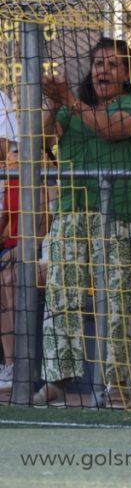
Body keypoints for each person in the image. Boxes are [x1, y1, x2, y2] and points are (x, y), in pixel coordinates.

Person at [34, 37, 131, 408]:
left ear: (126, 74)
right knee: (61, 295)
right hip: (71, 210)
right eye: (98, 63)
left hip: (117, 214)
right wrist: (54, 104)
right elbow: (40, 140)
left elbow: (110, 129)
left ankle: (114, 383)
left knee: (115, 298)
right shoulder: (72, 108)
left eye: (113, 64)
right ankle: (57, 381)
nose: (103, 70)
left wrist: (69, 99)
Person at [0, 145, 18, 391]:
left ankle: (17, 363)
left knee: (8, 277)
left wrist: (20, 250)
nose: (15, 156)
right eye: (13, 151)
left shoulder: (43, 175)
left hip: (36, 251)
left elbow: (43, 226)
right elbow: (4, 220)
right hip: (8, 249)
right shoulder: (7, 179)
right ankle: (9, 363)